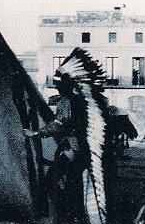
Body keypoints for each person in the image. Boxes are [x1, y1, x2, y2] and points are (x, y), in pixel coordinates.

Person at [24, 73, 87, 224]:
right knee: (73, 182)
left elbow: (59, 125)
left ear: (66, 86)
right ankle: (75, 215)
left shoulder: (66, 101)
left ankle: (66, 214)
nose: (58, 88)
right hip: (80, 149)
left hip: (71, 148)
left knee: (50, 180)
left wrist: (36, 133)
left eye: (60, 85)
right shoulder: (79, 101)